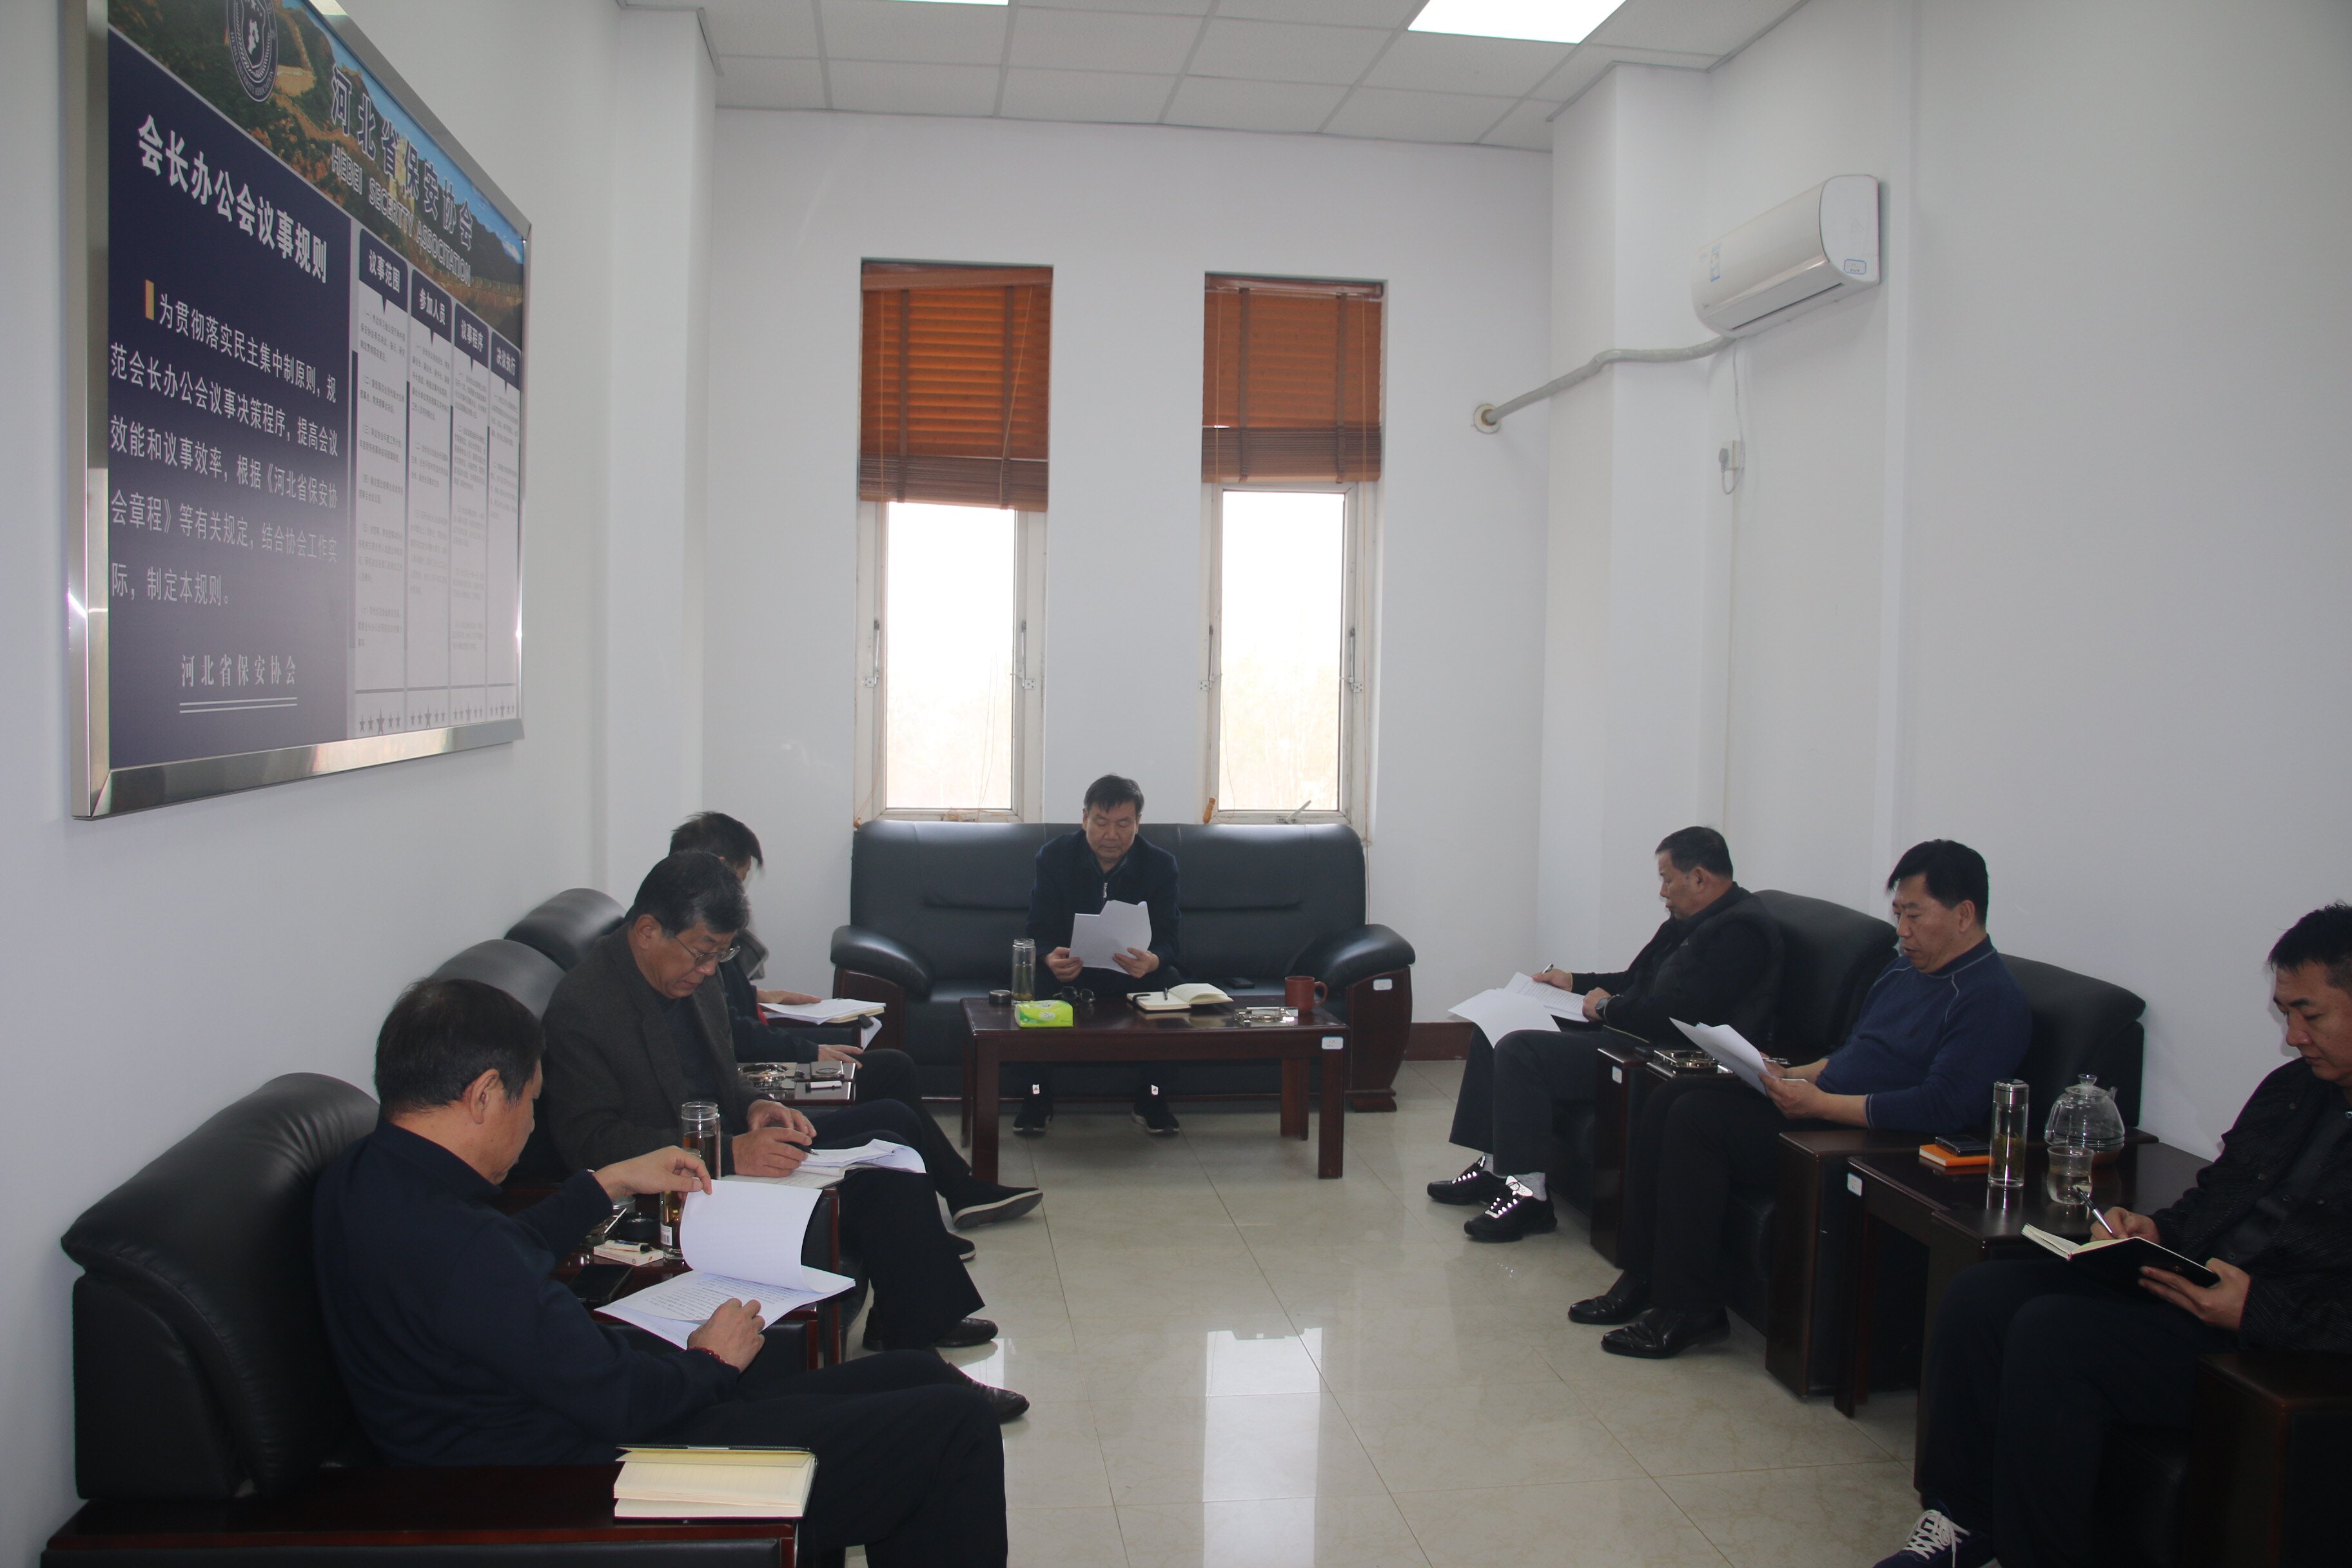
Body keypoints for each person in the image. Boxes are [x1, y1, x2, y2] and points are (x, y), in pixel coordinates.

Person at [313, 977, 1008, 1568]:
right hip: (598, 1480)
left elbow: (500, 1257)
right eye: (530, 1103)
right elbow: (625, 1400)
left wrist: (606, 1182)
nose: (530, 1127)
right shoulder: (463, 1249)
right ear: (484, 1094)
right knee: (954, 1426)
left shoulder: (365, 1178)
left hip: (558, 1433)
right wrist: (711, 1360)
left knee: (911, 1373)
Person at [1877, 904, 2352, 1568]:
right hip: (2194, 1288)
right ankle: (1963, 1519)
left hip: (2272, 1344)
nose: (2295, 1035)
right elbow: (2220, 1192)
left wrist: (2257, 1309)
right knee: (1982, 1294)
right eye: (2286, 1013)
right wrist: (2158, 1230)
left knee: (2053, 1334)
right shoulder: (2293, 1091)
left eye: (2311, 1014)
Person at [538, 851, 1026, 1415]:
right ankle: (922, 1370)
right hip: (681, 1197)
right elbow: (590, 1143)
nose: (710, 971)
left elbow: (721, 1075)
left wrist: (756, 1106)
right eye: (703, 953)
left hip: (733, 1152)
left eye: (721, 956)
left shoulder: (692, 975)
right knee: (879, 1185)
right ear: (648, 931)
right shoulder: (584, 1007)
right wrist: (729, 1154)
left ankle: (909, 1329)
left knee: (889, 1146)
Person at [1573, 839, 2031, 1358]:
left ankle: (1690, 1307)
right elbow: (1854, 1053)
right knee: (1668, 1098)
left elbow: (1942, 1107)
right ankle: (1643, 1275)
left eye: (1914, 915)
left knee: (1696, 1121)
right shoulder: (1906, 969)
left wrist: (1819, 1105)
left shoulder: (1990, 998)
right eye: (1898, 913)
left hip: (1868, 1137)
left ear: (1964, 914)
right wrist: (1789, 1074)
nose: (1902, 931)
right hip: (1822, 1104)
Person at [669, 811, 1041, 1233]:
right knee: (891, 1090)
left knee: (893, 1067)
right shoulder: (686, 944)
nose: (740, 894)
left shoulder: (695, 930)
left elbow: (722, 1009)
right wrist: (813, 1053)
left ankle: (956, 1193)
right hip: (755, 1085)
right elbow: (733, 1032)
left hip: (755, 1074)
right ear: (716, 869)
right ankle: (953, 1196)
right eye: (738, 880)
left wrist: (763, 996)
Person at [1427, 827, 1783, 1242]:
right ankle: (1495, 1170)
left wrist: (1609, 1008)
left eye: (1667, 879)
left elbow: (1686, 1017)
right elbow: (1636, 981)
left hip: (1657, 1055)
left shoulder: (1740, 932)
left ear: (1699, 878)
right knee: (1495, 1026)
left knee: (1521, 1049)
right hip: (1632, 1029)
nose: (1663, 892)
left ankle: (1529, 1197)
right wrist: (1574, 982)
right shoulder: (1690, 919)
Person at [1016, 774, 1186, 1136]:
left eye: (1123, 824)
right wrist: (1049, 958)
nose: (1112, 835)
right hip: (1071, 971)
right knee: (1032, 982)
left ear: (1138, 823)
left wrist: (1154, 960)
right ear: (1085, 819)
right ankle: (1036, 1097)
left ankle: (1153, 1098)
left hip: (1133, 973)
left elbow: (1170, 938)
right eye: (1102, 822)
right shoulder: (1055, 857)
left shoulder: (1160, 865)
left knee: (1170, 984)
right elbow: (1038, 928)